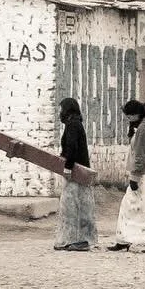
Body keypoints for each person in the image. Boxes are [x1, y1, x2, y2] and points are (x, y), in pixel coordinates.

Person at [107, 100, 145, 254]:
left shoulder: (143, 130)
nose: (127, 119)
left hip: (143, 176)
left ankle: (125, 240)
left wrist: (134, 177)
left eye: (128, 116)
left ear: (134, 115)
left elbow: (140, 155)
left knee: (128, 209)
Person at [54, 98, 96, 252]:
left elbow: (71, 148)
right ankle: (73, 239)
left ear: (67, 110)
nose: (60, 113)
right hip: (80, 171)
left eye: (61, 109)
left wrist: (68, 167)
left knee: (72, 206)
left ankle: (78, 240)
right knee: (77, 206)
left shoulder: (72, 125)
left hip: (76, 172)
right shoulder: (76, 123)